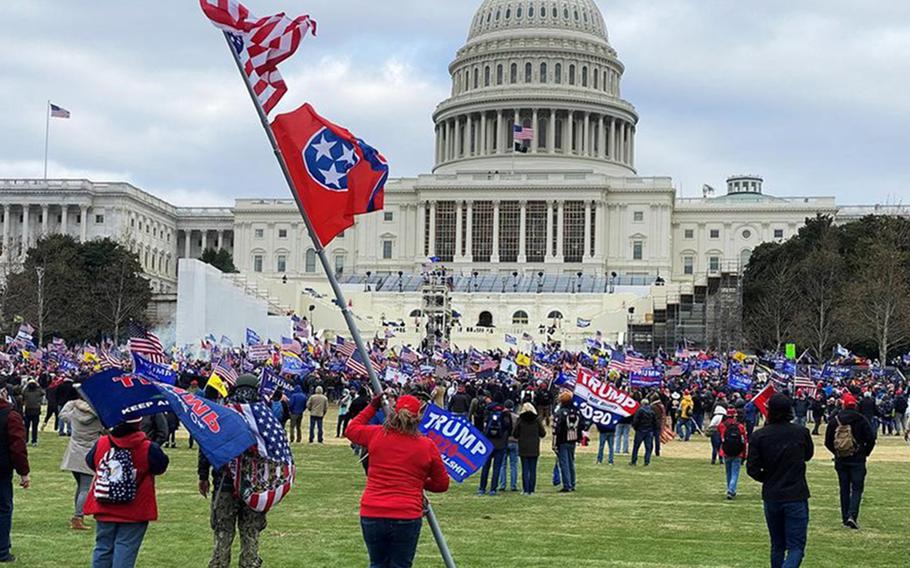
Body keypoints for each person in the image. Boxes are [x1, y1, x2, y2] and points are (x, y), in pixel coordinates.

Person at [345, 394, 449, 568]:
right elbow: (442, 484)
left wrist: (372, 406)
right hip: (407, 514)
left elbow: (351, 429)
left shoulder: (377, 434)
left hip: (373, 511)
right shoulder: (426, 445)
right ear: (418, 418)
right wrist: (418, 480)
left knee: (377, 563)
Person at [199, 374, 269, 568]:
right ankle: (249, 563)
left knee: (223, 533)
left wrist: (202, 476)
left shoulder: (222, 413)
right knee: (250, 534)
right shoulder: (264, 416)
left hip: (225, 484)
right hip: (255, 486)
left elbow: (206, 445)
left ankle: (220, 564)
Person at [85, 417, 169, 568]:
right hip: (135, 509)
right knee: (126, 549)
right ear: (138, 423)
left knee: (103, 548)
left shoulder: (102, 442)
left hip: (105, 505)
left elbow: (91, 462)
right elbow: (161, 466)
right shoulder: (147, 447)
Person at [747, 393, 813, 568]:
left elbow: (752, 469)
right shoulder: (801, 432)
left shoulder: (759, 436)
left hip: (773, 494)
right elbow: (808, 455)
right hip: (795, 494)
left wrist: (768, 478)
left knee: (777, 545)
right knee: (796, 547)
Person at [824, 393, 876, 529]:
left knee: (844, 489)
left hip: (841, 459)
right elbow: (871, 438)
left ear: (843, 404)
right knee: (857, 489)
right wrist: (865, 452)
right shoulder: (861, 419)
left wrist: (837, 452)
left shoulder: (835, 420)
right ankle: (852, 515)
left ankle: (844, 517)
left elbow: (827, 441)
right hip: (858, 459)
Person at [59, 393, 103, 531]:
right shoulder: (99, 414)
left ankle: (78, 515)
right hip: (89, 452)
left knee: (81, 487)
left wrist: (73, 404)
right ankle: (78, 517)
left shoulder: (74, 409)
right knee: (85, 488)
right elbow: (107, 430)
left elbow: (63, 415)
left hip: (74, 452)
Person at [0, 384, 30, 563]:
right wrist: (24, 472)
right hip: (2, 469)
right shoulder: (10, 415)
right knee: (3, 509)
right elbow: (18, 446)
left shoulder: (11, 414)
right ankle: (2, 550)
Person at [476, 397, 511, 496]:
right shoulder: (505, 415)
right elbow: (509, 428)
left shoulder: (488, 413)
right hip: (500, 444)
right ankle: (493, 489)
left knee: (485, 467)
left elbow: (484, 427)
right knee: (496, 468)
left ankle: (482, 488)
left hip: (488, 444)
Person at [553, 391, 583, 493]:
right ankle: (572, 483)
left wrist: (555, 443)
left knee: (564, 463)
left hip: (562, 440)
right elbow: (581, 426)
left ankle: (567, 485)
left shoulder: (561, 413)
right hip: (573, 439)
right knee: (571, 462)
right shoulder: (576, 411)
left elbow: (556, 429)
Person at [513, 402, 546, 495]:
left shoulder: (520, 419)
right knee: (533, 470)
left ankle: (525, 489)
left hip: (523, 446)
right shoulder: (537, 420)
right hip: (534, 446)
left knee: (525, 469)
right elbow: (543, 433)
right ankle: (531, 489)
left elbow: (515, 433)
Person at [718, 407, 748, 500]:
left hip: (726, 451)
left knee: (728, 472)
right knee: (735, 473)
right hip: (738, 452)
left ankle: (730, 489)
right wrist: (744, 454)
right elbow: (744, 440)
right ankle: (731, 490)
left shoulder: (722, 425)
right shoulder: (740, 426)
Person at [498, 399, 519, 492]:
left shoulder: (501, 417)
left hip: (504, 441)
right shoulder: (517, 417)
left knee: (503, 465)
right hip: (514, 441)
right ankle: (513, 485)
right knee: (514, 465)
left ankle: (502, 484)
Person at [629, 397, 658, 467]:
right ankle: (647, 461)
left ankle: (634, 461)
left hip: (640, 430)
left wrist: (635, 428)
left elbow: (635, 421)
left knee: (636, 447)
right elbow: (655, 422)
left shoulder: (640, 411)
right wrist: (653, 430)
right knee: (648, 448)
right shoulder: (652, 412)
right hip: (649, 431)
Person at [21, 379, 43, 447]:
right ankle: (34, 441)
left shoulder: (26, 391)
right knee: (35, 427)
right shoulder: (38, 391)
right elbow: (43, 392)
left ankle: (26, 440)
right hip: (36, 410)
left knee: (26, 427)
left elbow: (23, 394)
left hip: (28, 410)